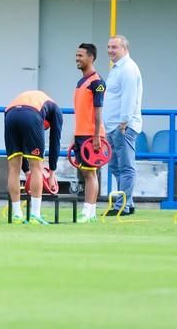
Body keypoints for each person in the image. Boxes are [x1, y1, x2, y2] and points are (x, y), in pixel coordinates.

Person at [5, 90, 63, 225]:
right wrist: (52, 173)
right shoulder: (55, 110)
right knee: (37, 167)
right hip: (32, 114)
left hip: (10, 115)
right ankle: (35, 215)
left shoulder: (34, 98)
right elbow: (55, 141)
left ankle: (17, 215)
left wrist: (26, 171)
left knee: (13, 169)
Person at [103, 35, 143, 216]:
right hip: (113, 126)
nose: (111, 50)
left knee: (126, 167)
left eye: (115, 47)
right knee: (115, 166)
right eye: (109, 47)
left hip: (122, 126)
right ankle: (128, 202)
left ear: (125, 49)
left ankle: (122, 206)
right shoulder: (117, 68)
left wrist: (124, 121)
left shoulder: (128, 69)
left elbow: (129, 97)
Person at [73, 43, 106, 223]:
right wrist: (75, 136)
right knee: (85, 173)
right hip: (80, 134)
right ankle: (90, 212)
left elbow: (98, 112)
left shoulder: (97, 82)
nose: (77, 59)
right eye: (76, 56)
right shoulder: (81, 82)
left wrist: (96, 136)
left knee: (90, 173)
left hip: (91, 135)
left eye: (81, 56)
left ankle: (88, 212)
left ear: (91, 58)